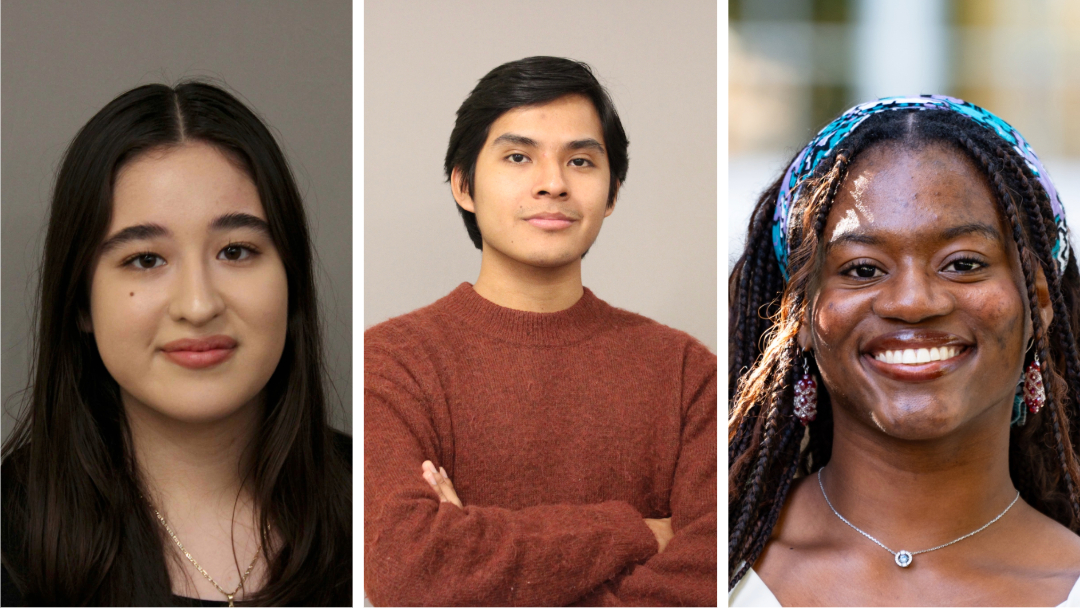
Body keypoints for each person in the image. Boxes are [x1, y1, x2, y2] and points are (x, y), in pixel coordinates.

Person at [364, 56, 717, 606]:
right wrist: (639, 534)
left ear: (612, 191)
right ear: (463, 185)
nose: (552, 184)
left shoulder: (686, 371)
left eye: (580, 160)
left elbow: (711, 577)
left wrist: (475, 561)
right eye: (518, 156)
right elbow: (408, 570)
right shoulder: (391, 362)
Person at [0, 82, 351, 606]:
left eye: (235, 250)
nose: (197, 304)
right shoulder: (11, 536)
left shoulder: (379, 493)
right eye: (145, 259)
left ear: (292, 277)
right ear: (80, 303)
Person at [728, 95, 1080, 606]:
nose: (912, 303)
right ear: (799, 315)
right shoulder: (717, 568)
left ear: (1039, 303)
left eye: (962, 263)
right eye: (863, 269)